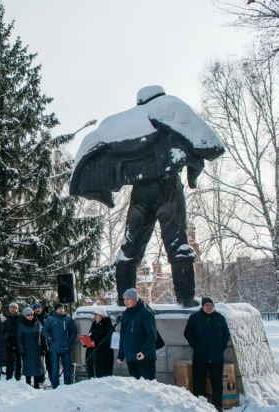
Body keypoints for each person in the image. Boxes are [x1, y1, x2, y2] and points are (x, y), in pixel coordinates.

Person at [69, 86, 225, 308]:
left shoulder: (120, 124)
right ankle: (186, 298)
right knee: (176, 242)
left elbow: (94, 153)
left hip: (140, 194)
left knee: (129, 248)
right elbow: (211, 146)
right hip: (167, 187)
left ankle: (125, 300)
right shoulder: (167, 108)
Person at [184, 297, 231, 411]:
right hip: (201, 356)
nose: (209, 307)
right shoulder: (195, 318)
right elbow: (188, 333)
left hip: (217, 357)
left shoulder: (219, 318)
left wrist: (222, 347)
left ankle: (217, 405)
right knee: (199, 381)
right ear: (202, 306)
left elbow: (226, 334)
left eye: (211, 305)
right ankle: (200, 405)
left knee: (217, 383)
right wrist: (196, 345)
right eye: (207, 305)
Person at [117, 289, 157, 380]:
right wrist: (121, 355)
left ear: (134, 300)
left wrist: (144, 352)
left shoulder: (145, 313)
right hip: (130, 358)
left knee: (147, 385)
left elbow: (151, 336)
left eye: (128, 299)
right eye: (124, 299)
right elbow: (123, 336)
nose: (125, 302)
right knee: (136, 387)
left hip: (145, 359)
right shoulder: (125, 315)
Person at [41, 303, 76, 389]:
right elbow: (44, 330)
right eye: (59, 308)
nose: (61, 310)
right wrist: (50, 339)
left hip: (66, 348)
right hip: (54, 348)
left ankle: (68, 386)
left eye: (62, 308)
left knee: (67, 368)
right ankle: (55, 386)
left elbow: (74, 331)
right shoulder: (50, 319)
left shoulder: (68, 319)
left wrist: (69, 342)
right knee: (55, 368)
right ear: (55, 310)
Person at [17, 307, 44, 389]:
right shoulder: (21, 325)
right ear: (25, 316)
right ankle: (28, 383)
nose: (30, 316)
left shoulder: (38, 324)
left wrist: (44, 348)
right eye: (28, 315)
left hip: (37, 349)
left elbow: (42, 336)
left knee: (37, 367)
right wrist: (21, 349)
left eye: (32, 314)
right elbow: (19, 338)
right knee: (27, 367)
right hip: (27, 349)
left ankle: (37, 383)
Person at [85, 306, 114, 378]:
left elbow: (108, 339)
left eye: (96, 314)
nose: (94, 316)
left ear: (101, 316)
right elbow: (91, 335)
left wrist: (96, 343)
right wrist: (86, 342)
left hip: (103, 355)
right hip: (92, 353)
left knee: (102, 374)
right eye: (94, 314)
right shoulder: (94, 324)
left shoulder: (107, 325)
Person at [6, 302, 22, 381]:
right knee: (9, 360)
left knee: (19, 360)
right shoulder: (6, 317)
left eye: (14, 307)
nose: (12, 309)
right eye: (11, 307)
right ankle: (8, 376)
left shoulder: (21, 317)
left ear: (17, 309)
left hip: (18, 341)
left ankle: (18, 376)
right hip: (8, 341)